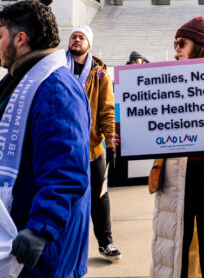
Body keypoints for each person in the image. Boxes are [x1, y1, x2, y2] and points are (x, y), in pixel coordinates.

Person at [0, 0, 91, 277]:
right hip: (22, 232)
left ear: (20, 39)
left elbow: (65, 166)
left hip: (42, 244)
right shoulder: (23, 79)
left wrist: (41, 226)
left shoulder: (55, 88)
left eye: (0, 36)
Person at [150, 16, 204, 278]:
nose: (176, 48)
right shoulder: (164, 84)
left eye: (182, 42)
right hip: (177, 178)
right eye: (175, 42)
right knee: (177, 248)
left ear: (199, 47)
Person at [67, 24, 122, 262]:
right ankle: (66, 246)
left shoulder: (100, 73)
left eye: (81, 37)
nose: (76, 40)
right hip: (64, 146)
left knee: (100, 196)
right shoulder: (58, 67)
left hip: (92, 147)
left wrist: (110, 143)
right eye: (73, 37)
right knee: (66, 195)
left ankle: (106, 242)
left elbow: (107, 110)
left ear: (89, 44)